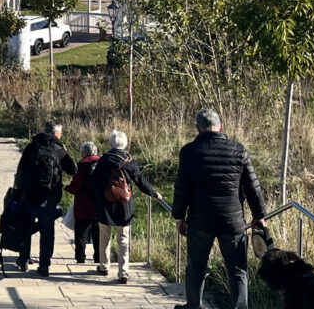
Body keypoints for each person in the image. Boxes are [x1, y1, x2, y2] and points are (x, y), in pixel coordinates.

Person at [172, 108, 265, 309]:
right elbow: (253, 187)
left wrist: (179, 216)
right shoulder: (238, 150)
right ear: (221, 126)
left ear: (197, 129)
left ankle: (194, 306)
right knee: (238, 269)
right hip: (232, 220)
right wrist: (259, 216)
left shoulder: (189, 152)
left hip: (200, 220)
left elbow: (182, 187)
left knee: (196, 268)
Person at [89, 129, 162, 284]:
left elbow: (93, 181)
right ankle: (123, 273)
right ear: (125, 143)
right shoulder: (129, 161)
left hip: (106, 203)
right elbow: (140, 180)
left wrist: (99, 195)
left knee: (104, 237)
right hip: (124, 205)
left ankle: (104, 266)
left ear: (111, 143)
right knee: (123, 239)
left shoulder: (103, 160)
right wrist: (154, 193)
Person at [13, 121, 77, 277]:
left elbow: (20, 170)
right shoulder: (59, 149)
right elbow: (73, 170)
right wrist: (65, 152)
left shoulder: (31, 147)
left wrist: (17, 193)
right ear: (56, 133)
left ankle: (24, 260)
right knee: (47, 231)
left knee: (26, 227)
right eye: (60, 134)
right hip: (49, 197)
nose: (61, 136)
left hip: (28, 195)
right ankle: (44, 266)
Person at [65, 140, 102, 264]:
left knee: (81, 233)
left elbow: (76, 185)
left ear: (83, 152)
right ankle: (99, 257)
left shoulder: (81, 165)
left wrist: (67, 188)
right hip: (98, 205)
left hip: (83, 206)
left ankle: (80, 258)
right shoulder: (102, 163)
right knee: (98, 233)